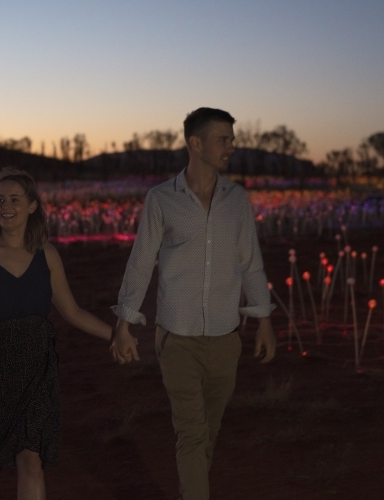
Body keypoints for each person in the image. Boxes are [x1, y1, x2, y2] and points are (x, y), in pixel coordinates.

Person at [111, 107, 276, 499]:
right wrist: (124, 324)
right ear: (196, 144)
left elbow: (250, 263)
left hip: (225, 337)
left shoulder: (236, 200)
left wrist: (264, 320)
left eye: (232, 139)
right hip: (177, 338)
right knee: (191, 432)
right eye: (223, 140)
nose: (231, 147)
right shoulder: (161, 199)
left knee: (208, 431)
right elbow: (141, 261)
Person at [0, 168, 114, 500]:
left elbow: (72, 311)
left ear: (32, 206)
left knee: (31, 459)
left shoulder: (47, 255)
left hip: (36, 368)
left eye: (14, 200)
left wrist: (115, 335)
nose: (5, 207)